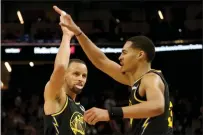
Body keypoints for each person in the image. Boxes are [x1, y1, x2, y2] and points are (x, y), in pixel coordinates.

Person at [54, 6, 173, 135]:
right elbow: (101, 61)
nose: (120, 57)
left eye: (124, 53)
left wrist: (109, 113)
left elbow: (157, 106)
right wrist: (78, 32)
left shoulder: (151, 78)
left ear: (140, 55)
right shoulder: (134, 80)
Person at [44, 6, 88, 135]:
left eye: (84, 75)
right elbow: (61, 68)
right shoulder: (57, 97)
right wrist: (67, 36)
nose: (81, 78)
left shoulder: (81, 108)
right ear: (64, 76)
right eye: (76, 74)